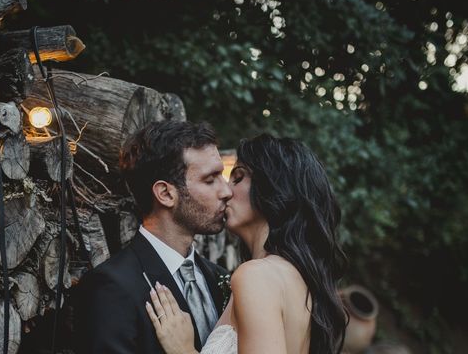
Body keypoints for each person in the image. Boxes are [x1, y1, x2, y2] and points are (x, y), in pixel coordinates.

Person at [146, 133, 348, 354]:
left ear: (274, 188)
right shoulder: (295, 277)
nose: (225, 191)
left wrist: (183, 350)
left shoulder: (256, 276)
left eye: (238, 178)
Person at [73, 120, 233, 353]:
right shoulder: (112, 287)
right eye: (210, 180)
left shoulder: (219, 278)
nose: (226, 191)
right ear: (166, 193)